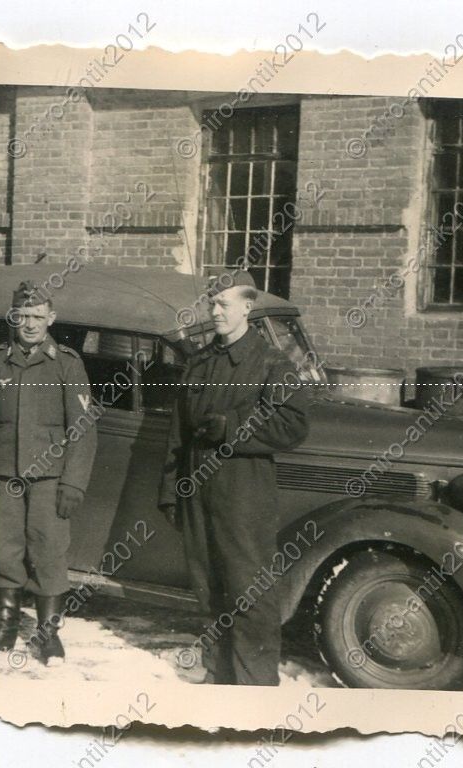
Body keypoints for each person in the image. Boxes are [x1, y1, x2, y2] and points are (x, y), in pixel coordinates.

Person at [158, 269, 310, 686]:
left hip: (243, 491)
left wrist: (233, 426)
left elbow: (293, 425)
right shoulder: (200, 361)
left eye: (224, 304)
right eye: (212, 303)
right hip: (197, 489)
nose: (215, 311)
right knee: (207, 586)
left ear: (247, 306)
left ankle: (254, 687)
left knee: (249, 591)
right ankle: (219, 674)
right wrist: (170, 490)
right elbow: (177, 432)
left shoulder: (271, 362)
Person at [0, 281, 97, 665]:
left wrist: (73, 482)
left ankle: (48, 635)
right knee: (4, 549)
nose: (30, 324)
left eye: (38, 316)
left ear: (51, 318)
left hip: (50, 477)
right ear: (13, 317)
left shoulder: (67, 363)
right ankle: (4, 629)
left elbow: (82, 429)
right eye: (22, 316)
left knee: (49, 550)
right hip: (4, 473)